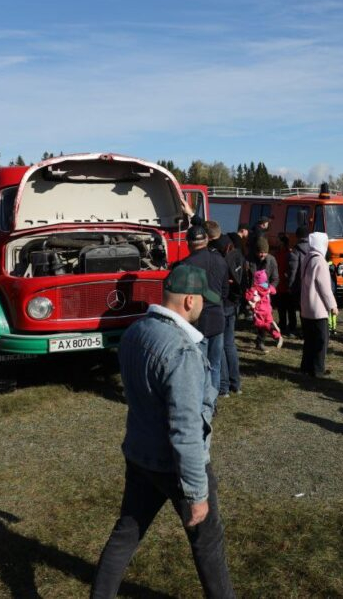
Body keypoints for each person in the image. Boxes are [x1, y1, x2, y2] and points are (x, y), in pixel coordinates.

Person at [91, 265, 234, 597]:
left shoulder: (136, 331)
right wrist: (197, 494)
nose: (204, 307)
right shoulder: (182, 351)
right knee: (209, 545)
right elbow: (185, 430)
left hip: (141, 454)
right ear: (188, 301)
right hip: (176, 466)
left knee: (126, 533)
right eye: (202, 300)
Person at [177, 226, 230, 396]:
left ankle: (200, 400)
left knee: (199, 365)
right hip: (218, 315)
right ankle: (211, 401)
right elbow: (224, 291)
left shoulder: (186, 264)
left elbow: (182, 296)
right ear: (206, 240)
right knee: (215, 364)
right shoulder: (220, 260)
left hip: (197, 319)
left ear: (188, 244)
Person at [299, 232, 336, 377]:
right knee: (321, 340)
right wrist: (332, 305)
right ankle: (318, 369)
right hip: (318, 308)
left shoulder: (307, 257)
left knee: (309, 340)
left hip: (306, 305)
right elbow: (324, 287)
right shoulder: (320, 260)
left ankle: (306, 366)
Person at [215, 235, 244, 396]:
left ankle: (224, 386)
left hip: (222, 305)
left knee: (220, 346)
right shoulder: (238, 257)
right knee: (230, 345)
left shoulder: (220, 261)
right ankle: (236, 383)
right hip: (233, 305)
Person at [244, 269, 282, 353]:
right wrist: (269, 288)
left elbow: (247, 296)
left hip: (259, 311)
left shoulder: (254, 288)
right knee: (266, 324)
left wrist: (252, 298)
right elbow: (274, 291)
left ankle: (271, 333)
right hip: (268, 310)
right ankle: (275, 335)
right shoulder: (267, 286)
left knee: (260, 325)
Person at [284, 227, 310, 339]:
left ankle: (300, 330)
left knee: (299, 309)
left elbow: (293, 271)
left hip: (299, 284)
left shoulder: (295, 251)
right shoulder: (314, 249)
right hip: (311, 284)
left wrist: (290, 286)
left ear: (297, 236)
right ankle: (309, 330)